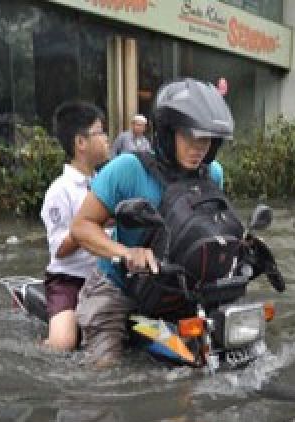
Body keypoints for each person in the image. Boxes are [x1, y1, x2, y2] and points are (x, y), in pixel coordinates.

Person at [68, 79, 233, 366]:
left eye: (206, 140)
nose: (199, 149)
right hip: (118, 287)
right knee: (103, 374)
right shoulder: (127, 169)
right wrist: (126, 253)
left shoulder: (212, 174)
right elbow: (81, 227)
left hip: (176, 288)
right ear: (168, 133)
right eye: (190, 137)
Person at [39, 101, 110, 351]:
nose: (106, 139)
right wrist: (88, 228)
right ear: (81, 143)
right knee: (63, 343)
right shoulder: (59, 191)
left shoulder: (105, 183)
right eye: (100, 132)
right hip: (69, 280)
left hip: (106, 277)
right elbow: (59, 249)